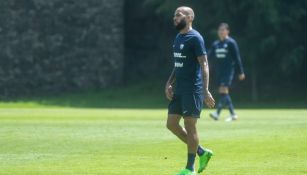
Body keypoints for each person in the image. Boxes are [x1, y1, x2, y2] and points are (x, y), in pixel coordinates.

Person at [165, 6, 215, 175]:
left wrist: (205, 90)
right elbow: (178, 63)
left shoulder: (196, 38)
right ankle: (202, 152)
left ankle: (189, 168)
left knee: (190, 126)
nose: (175, 18)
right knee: (171, 124)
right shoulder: (179, 37)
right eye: (174, 15)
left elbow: (204, 64)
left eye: (178, 15)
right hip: (179, 89)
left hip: (192, 89)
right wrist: (169, 83)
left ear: (190, 18)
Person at [208, 23, 245, 122]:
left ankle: (217, 113)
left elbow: (237, 58)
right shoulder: (216, 44)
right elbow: (208, 56)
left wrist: (241, 72)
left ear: (227, 31)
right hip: (219, 72)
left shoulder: (231, 43)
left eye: (223, 30)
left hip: (228, 71)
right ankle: (233, 114)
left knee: (223, 90)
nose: (221, 32)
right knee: (223, 92)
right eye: (220, 30)